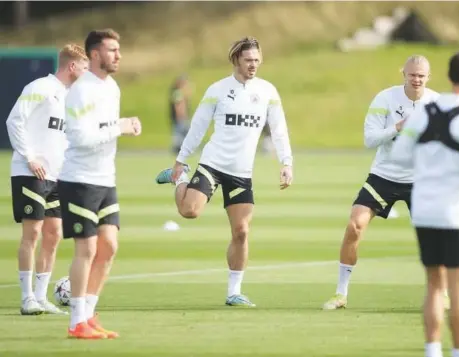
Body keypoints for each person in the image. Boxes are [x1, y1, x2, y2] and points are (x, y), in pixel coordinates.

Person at [155, 36, 293, 307]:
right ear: (236, 60)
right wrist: (181, 161)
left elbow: (279, 129)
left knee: (241, 232)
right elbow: (197, 127)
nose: (253, 65)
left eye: (256, 60)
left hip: (242, 172)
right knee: (189, 211)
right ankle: (180, 179)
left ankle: (234, 292)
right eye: (248, 60)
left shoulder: (267, 91)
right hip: (212, 165)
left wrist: (286, 163)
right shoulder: (217, 90)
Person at [390, 52, 459, 357]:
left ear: (449, 77)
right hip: (456, 214)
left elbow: (400, 155)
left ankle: (432, 350)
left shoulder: (424, 111)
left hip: (424, 211)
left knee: (434, 286)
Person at [323, 55, 442, 310]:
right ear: (404, 74)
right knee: (355, 226)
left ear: (428, 77)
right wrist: (398, 127)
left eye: (421, 75)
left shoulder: (437, 103)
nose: (417, 79)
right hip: (384, 176)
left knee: (434, 237)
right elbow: (369, 139)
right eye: (412, 75)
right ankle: (341, 293)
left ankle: (440, 292)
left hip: (420, 180)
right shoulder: (385, 98)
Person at [58, 29, 142, 339]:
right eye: (112, 50)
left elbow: (105, 129)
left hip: (105, 179)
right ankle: (76, 321)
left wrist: (122, 126)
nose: (118, 55)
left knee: (108, 246)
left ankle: (89, 314)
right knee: (88, 248)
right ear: (95, 54)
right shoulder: (82, 91)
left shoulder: (113, 88)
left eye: (119, 49)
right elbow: (79, 137)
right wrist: (118, 128)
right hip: (79, 178)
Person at [6, 44, 89, 315]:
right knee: (32, 233)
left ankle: (41, 298)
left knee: (53, 234)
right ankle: (26, 297)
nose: (88, 73)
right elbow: (14, 121)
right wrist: (29, 156)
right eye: (85, 68)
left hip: (57, 177)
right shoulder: (39, 87)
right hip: (30, 173)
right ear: (72, 66)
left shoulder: (72, 98)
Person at [169, 74, 191, 154]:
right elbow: (178, 106)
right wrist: (181, 115)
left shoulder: (179, 92)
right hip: (180, 117)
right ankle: (177, 148)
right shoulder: (177, 93)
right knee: (179, 133)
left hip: (181, 117)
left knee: (182, 132)